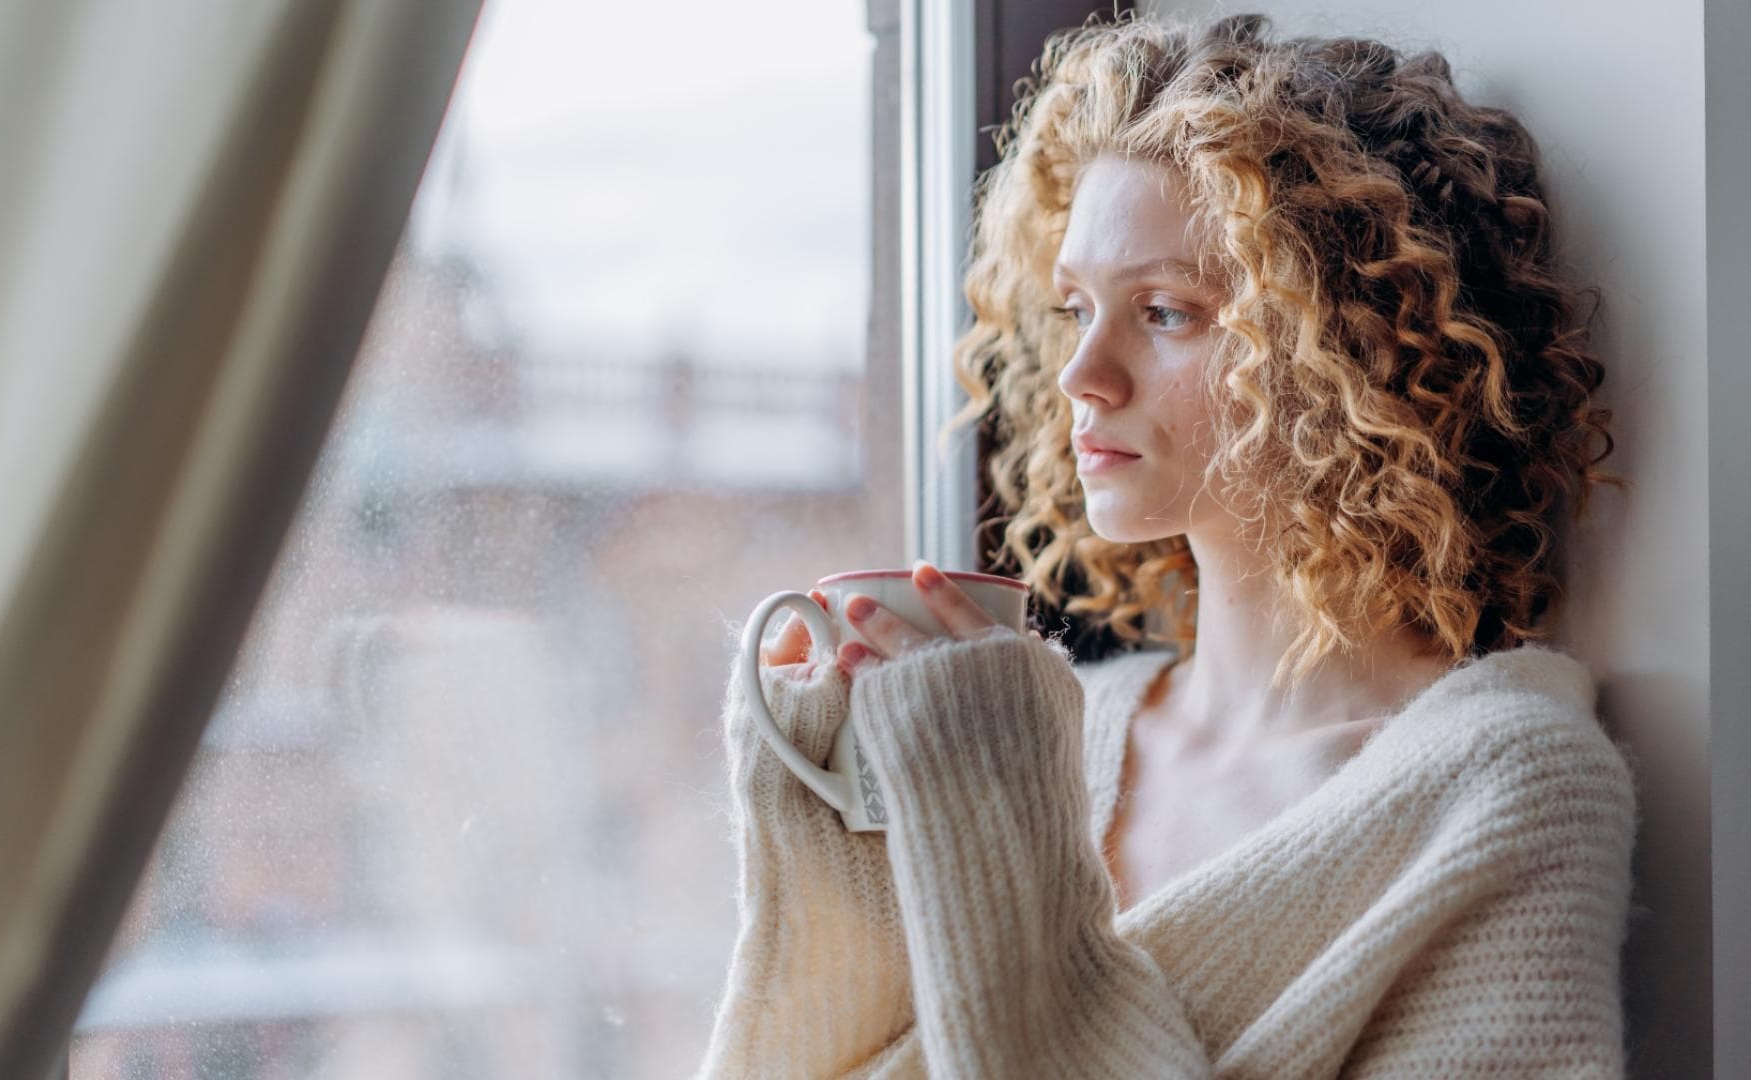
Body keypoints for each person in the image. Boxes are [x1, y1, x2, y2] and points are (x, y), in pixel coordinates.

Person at [696, 11, 1638, 1078]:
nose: (1080, 375)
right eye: (1076, 308)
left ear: (1344, 347)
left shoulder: (1504, 790)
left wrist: (997, 843)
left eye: (1164, 311)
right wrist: (826, 832)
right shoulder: (1063, 726)